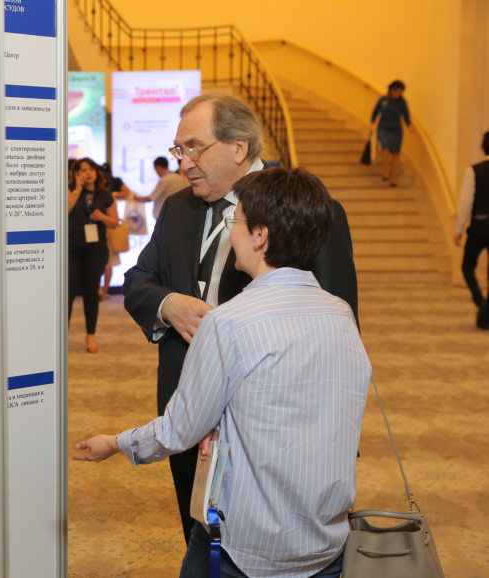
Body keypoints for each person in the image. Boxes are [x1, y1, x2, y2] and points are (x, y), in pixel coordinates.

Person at [75, 167, 372, 578]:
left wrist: (115, 443)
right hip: (326, 542)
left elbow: (178, 430)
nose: (230, 230)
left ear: (260, 236)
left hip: (244, 547)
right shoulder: (340, 314)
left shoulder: (228, 323)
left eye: (237, 219)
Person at [122, 93, 359, 560]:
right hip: (186, 411)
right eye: (179, 150)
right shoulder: (178, 208)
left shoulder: (308, 211)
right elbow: (137, 281)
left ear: (238, 147)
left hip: (270, 429)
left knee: (268, 548)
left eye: (195, 147)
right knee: (199, 538)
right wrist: (169, 305)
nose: (185, 162)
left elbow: (338, 330)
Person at [69, 158, 119, 353]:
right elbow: (64, 211)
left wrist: (103, 217)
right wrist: (77, 190)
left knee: (91, 292)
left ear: (96, 172)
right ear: (75, 174)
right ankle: (61, 336)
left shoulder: (104, 194)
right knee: (68, 293)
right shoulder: (70, 191)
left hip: (96, 250)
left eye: (91, 169)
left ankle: (90, 335)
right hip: (71, 249)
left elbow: (114, 222)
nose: (88, 173)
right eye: (82, 170)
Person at [454, 130, 489, 329]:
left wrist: (459, 228)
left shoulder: (473, 170)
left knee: (467, 267)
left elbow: (466, 202)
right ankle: (487, 308)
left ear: (481, 147)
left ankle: (480, 302)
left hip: (478, 226)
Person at [370, 80, 417, 187]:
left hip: (396, 130)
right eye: (396, 91)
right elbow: (375, 112)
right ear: (391, 90)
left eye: (400, 91)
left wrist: (410, 126)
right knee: (385, 149)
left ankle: (393, 177)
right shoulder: (383, 99)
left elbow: (406, 116)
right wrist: (372, 123)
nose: (397, 93)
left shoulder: (402, 102)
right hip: (383, 128)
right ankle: (387, 169)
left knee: (396, 153)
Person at [101, 162, 134, 299]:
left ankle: (102, 291)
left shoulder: (110, 186)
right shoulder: (113, 182)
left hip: (108, 228)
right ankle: (103, 291)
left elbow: (127, 192)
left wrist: (114, 193)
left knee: (106, 263)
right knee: (106, 263)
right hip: (107, 228)